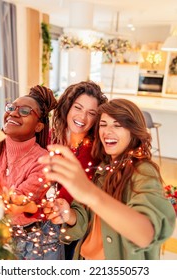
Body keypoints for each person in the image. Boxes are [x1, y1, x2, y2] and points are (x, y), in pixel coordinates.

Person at [40, 98, 176, 260]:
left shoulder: (143, 172)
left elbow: (146, 234)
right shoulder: (102, 168)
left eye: (117, 125)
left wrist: (91, 194)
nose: (107, 131)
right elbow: (85, 220)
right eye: (103, 124)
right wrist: (68, 214)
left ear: (134, 131)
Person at [0, 85, 62, 260]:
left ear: (39, 126)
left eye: (25, 111)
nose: (13, 113)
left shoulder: (44, 161)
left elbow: (14, 205)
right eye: (11, 108)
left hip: (31, 245)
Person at [50, 80, 107, 259]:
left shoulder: (93, 152)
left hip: (71, 227)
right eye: (78, 108)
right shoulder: (52, 137)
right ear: (68, 107)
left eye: (91, 113)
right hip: (44, 220)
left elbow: (74, 196)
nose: (82, 118)